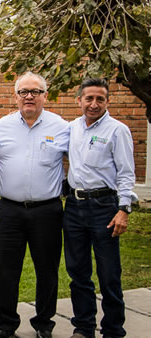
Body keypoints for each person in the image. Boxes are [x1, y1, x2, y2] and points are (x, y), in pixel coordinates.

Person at [0, 72, 68, 338]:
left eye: (36, 91)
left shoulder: (62, 127)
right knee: (6, 270)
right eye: (23, 92)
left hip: (48, 212)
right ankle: (5, 325)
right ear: (15, 96)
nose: (29, 96)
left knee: (47, 271)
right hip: (10, 211)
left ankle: (44, 324)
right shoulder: (1, 126)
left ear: (45, 94)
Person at [63, 78, 135, 338]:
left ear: (107, 101)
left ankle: (113, 329)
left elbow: (126, 173)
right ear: (79, 100)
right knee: (78, 272)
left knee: (109, 274)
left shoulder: (118, 130)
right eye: (89, 98)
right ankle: (83, 327)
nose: (94, 104)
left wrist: (124, 209)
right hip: (73, 207)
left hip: (105, 207)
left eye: (100, 99)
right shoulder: (71, 128)